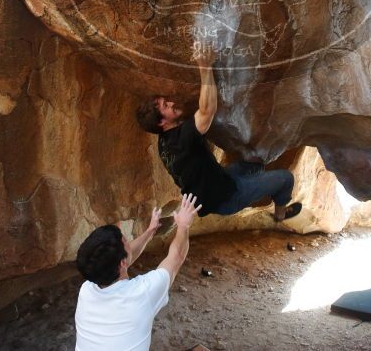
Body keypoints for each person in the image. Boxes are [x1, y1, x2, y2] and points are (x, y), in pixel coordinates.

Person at [135, 47, 302, 221]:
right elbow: (207, 110)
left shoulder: (165, 141)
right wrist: (205, 66)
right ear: (161, 122)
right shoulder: (182, 140)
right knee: (286, 178)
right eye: (165, 106)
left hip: (220, 180)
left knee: (254, 163)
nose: (171, 103)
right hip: (226, 198)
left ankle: (259, 184)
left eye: (165, 102)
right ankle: (280, 215)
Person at [74, 193, 202, 351]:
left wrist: (150, 231)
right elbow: (177, 257)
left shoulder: (86, 289)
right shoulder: (142, 294)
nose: (128, 241)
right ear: (122, 263)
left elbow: (123, 260)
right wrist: (184, 225)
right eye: (126, 241)